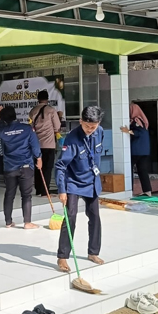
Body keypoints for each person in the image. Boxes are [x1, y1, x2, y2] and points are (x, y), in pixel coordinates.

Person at [55, 106, 106, 270]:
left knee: (95, 217)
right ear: (81, 122)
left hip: (91, 181)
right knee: (70, 218)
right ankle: (62, 257)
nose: (90, 130)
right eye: (87, 126)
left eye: (94, 126)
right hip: (73, 182)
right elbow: (61, 166)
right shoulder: (71, 139)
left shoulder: (100, 132)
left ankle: (93, 252)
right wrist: (62, 190)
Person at [0, 105, 42, 229]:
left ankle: (8, 222)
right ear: (15, 115)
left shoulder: (3, 131)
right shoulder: (27, 129)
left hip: (10, 168)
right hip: (26, 166)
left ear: (4, 119)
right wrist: (39, 158)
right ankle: (27, 222)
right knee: (26, 195)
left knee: (9, 194)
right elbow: (35, 145)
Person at [29, 91, 61, 196]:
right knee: (47, 168)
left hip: (36, 145)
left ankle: (38, 189)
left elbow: (31, 127)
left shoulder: (33, 111)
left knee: (38, 167)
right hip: (49, 144)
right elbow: (57, 127)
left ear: (38, 99)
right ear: (47, 99)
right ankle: (45, 191)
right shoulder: (51, 110)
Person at [121, 102, 152, 196]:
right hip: (144, 150)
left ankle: (129, 190)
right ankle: (147, 191)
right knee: (142, 170)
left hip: (137, 150)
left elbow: (139, 133)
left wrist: (128, 131)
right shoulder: (143, 120)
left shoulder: (137, 120)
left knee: (128, 169)